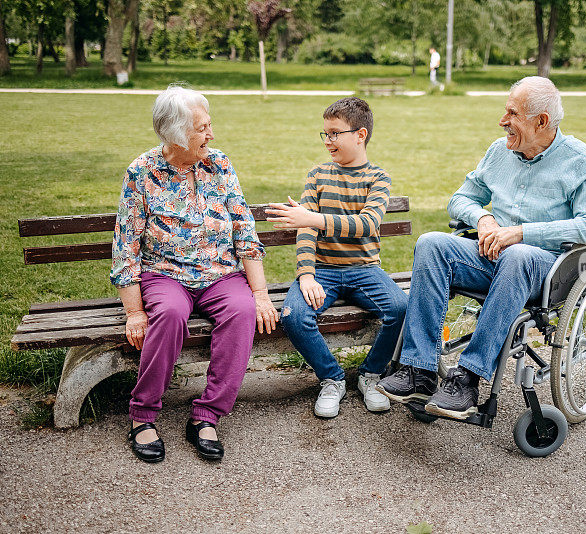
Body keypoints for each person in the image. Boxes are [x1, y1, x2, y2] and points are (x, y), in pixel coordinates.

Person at [377, 76, 586, 420]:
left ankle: (468, 378)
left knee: (517, 254)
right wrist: (483, 218)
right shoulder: (499, 150)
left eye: (512, 113)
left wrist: (520, 233)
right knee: (432, 244)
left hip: (544, 268)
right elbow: (460, 199)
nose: (503, 121)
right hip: (491, 257)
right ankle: (419, 371)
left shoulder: (579, 159)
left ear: (541, 121)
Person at [111, 85, 280, 463]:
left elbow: (243, 231)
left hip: (220, 274)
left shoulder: (219, 164)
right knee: (169, 315)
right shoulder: (142, 172)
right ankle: (142, 415)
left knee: (242, 312)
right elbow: (127, 246)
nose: (211, 135)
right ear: (175, 133)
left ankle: (207, 415)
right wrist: (135, 312)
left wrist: (261, 294)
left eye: (209, 126)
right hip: (164, 274)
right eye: (202, 128)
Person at [266, 98, 408, 419]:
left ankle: (371, 375)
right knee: (292, 315)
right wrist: (305, 274)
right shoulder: (317, 175)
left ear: (360, 135)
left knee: (400, 309)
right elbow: (305, 232)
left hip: (364, 270)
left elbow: (366, 225)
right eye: (324, 133)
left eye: (334, 133)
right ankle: (332, 378)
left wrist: (311, 219)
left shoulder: (378, 178)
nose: (327, 140)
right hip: (322, 272)